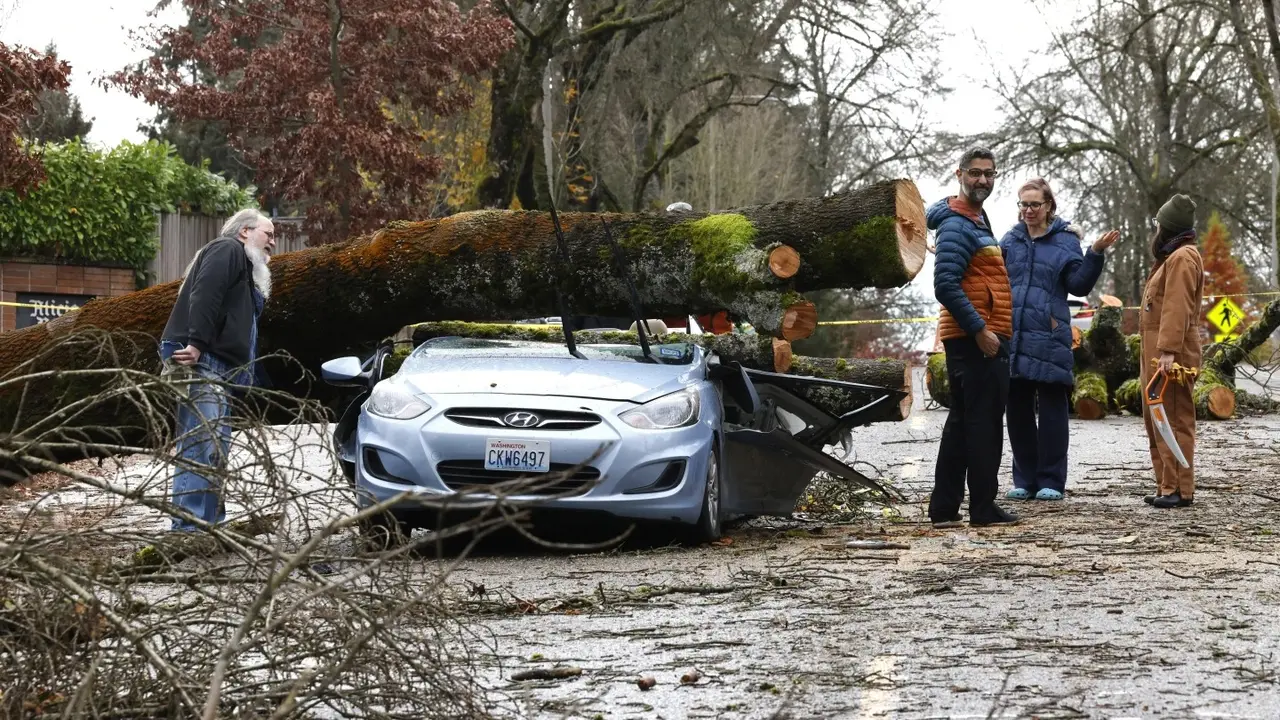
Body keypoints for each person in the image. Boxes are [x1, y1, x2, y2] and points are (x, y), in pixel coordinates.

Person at [1001, 179, 1119, 501]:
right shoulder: (1009, 240)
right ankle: (1024, 479)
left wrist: (1094, 253)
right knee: (1018, 412)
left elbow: (1079, 286)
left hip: (1050, 335)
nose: (1027, 211)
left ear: (1049, 206)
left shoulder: (1066, 241)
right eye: (1023, 205)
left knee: (1053, 412)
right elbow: (995, 280)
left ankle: (1052, 479)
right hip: (1015, 336)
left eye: (1034, 205)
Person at [159, 208, 275, 531]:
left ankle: (208, 526)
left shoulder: (246, 272)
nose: (274, 242)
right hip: (202, 359)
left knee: (216, 451)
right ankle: (188, 530)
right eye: (269, 234)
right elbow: (204, 293)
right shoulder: (227, 250)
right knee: (200, 446)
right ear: (244, 232)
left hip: (221, 369)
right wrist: (196, 343)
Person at [928, 147, 1019, 527]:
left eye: (990, 174)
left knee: (963, 424)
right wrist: (981, 331)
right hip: (976, 338)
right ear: (959, 174)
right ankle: (983, 507)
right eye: (976, 173)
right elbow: (945, 285)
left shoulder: (976, 218)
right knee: (983, 425)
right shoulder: (957, 224)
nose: (983, 180)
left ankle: (944, 508)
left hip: (973, 336)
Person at [1139, 194, 1203, 509]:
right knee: (1156, 418)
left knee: (1174, 417)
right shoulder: (1170, 256)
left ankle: (1180, 487)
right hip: (1157, 349)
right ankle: (1166, 485)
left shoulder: (1182, 258)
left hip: (1170, 353)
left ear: (1167, 226)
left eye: (1158, 223)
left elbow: (1177, 306)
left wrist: (1168, 350)